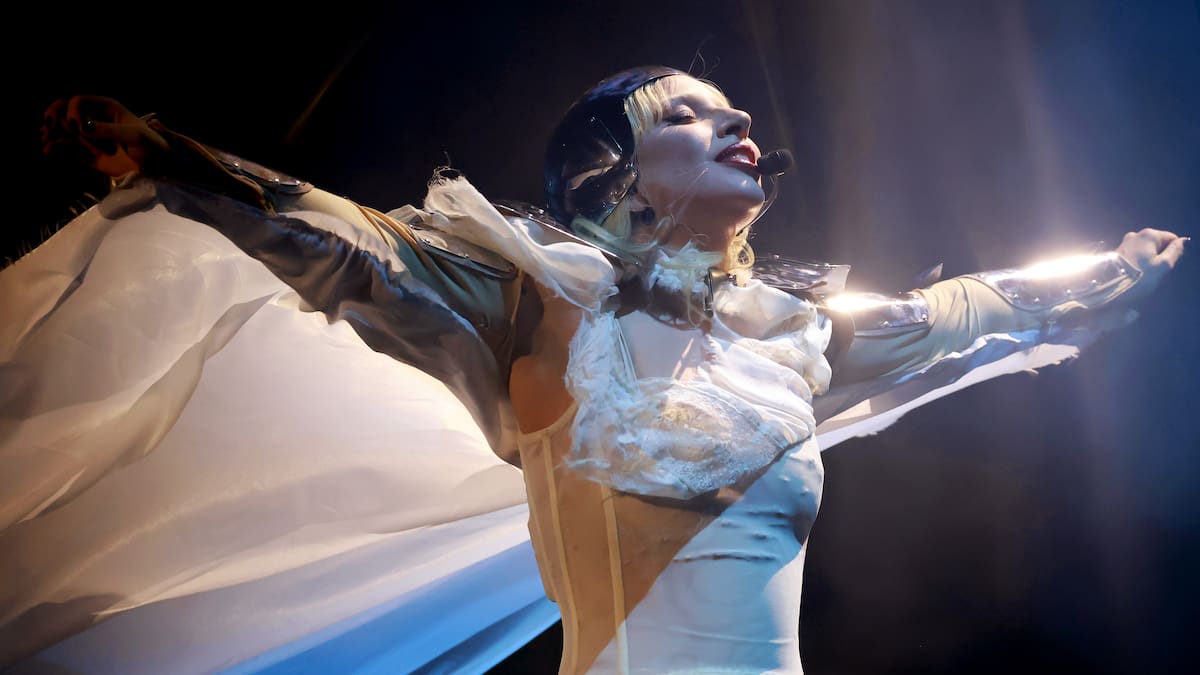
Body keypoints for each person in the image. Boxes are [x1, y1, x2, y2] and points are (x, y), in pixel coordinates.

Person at [2, 65, 1185, 674]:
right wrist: (170, 153)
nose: (738, 125)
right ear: (615, 171)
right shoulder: (541, 306)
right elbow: (346, 244)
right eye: (693, 114)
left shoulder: (790, 333)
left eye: (738, 113)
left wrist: (1114, 270)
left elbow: (964, 308)